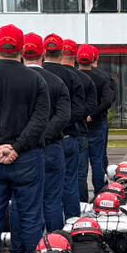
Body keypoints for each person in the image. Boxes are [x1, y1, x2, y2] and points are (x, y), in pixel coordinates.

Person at [0, 25, 49, 253]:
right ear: (22, 49)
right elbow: (39, 120)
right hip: (27, 157)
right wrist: (17, 147)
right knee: (31, 217)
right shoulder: (35, 80)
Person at [23, 32, 70, 234]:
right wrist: (44, 136)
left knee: (23, 203)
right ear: (41, 53)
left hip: (22, 150)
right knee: (52, 200)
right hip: (50, 146)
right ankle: (56, 245)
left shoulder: (19, 79)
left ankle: (19, 251)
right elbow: (63, 116)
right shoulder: (56, 81)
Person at [43, 35, 88, 219]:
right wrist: (61, 124)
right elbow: (80, 109)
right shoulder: (73, 76)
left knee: (40, 189)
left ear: (44, 51)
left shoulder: (35, 74)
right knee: (69, 183)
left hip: (38, 141)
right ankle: (71, 225)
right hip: (68, 136)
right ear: (62, 53)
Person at [62, 39, 97, 209]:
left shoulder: (50, 76)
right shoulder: (83, 79)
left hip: (54, 136)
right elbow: (89, 107)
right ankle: (81, 207)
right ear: (75, 56)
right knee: (78, 175)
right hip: (78, 132)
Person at [78, 45, 113, 197]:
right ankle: (101, 194)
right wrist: (93, 114)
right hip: (97, 124)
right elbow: (108, 100)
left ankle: (82, 199)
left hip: (78, 126)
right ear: (94, 59)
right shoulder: (102, 78)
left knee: (80, 166)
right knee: (97, 161)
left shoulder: (73, 77)